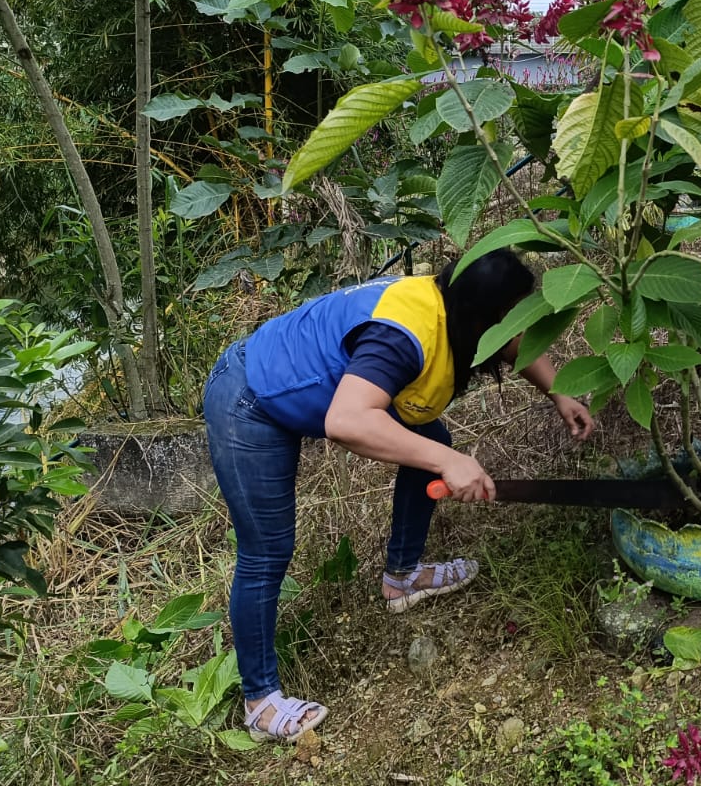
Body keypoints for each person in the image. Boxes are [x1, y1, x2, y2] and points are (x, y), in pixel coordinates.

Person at [201, 249, 593, 744]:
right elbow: (347, 421)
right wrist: (449, 463)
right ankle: (260, 702)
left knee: (432, 443)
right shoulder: (404, 335)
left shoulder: (455, 307)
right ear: (481, 318)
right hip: (250, 396)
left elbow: (511, 338)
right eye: (513, 318)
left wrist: (559, 391)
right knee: (267, 549)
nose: (521, 333)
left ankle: (402, 578)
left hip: (294, 380)